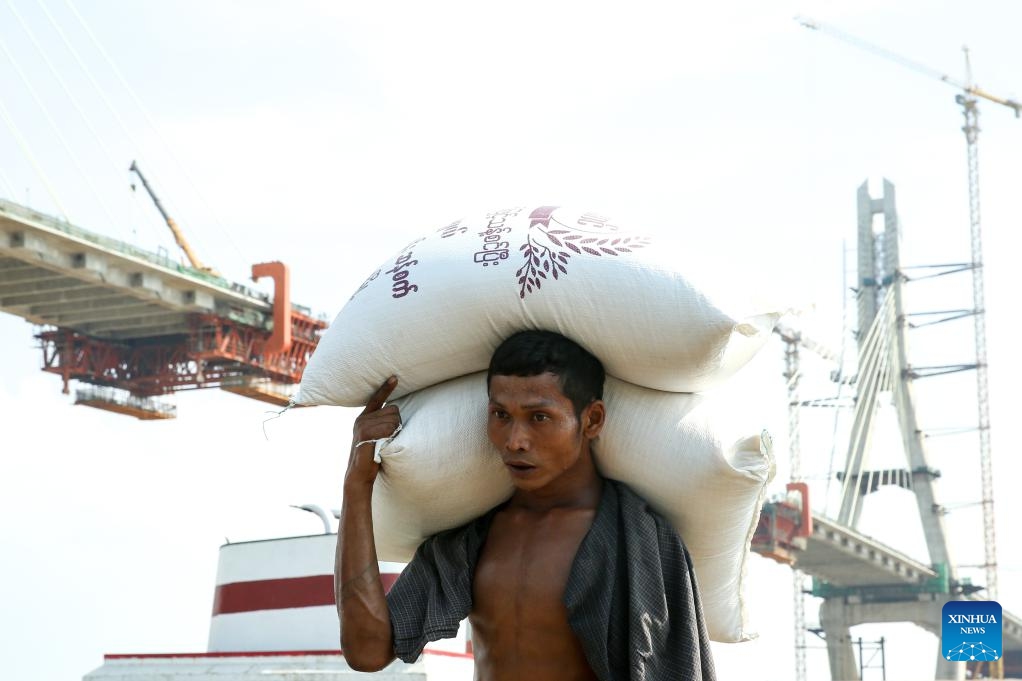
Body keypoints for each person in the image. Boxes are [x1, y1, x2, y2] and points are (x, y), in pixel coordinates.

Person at [336, 330, 716, 681]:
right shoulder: (470, 543)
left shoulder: (640, 542)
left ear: (592, 419)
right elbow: (367, 650)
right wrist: (357, 485)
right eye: (501, 415)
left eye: (539, 417)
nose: (515, 440)